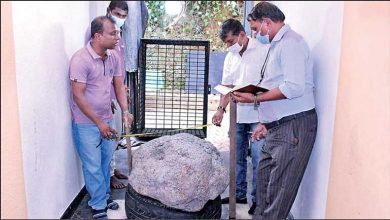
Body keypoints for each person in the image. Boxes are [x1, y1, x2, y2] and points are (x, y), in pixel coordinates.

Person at [231, 2, 318, 219]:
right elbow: (274, 84)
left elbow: (294, 87)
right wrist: (266, 123)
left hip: (294, 128)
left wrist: (256, 97)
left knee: (279, 193)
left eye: (255, 28)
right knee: (264, 183)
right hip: (278, 127)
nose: (255, 34)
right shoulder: (276, 44)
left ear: (267, 23)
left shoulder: (291, 44)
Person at [70, 16, 133, 219]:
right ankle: (97, 205)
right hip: (87, 123)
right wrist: (98, 123)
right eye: (113, 33)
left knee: (106, 162)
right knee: (93, 165)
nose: (118, 36)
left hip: (107, 119)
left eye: (117, 32)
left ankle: (104, 197)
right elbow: (77, 95)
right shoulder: (80, 59)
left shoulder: (113, 56)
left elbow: (118, 86)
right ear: (98, 36)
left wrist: (125, 111)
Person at [212, 18, 267, 215]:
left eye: (230, 41)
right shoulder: (230, 57)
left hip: (258, 115)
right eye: (226, 43)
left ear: (242, 35)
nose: (228, 46)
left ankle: (258, 201)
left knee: (259, 158)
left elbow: (268, 84)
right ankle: (238, 194)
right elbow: (226, 86)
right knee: (236, 157)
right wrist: (220, 109)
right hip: (237, 115)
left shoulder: (262, 52)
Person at [85, 1, 130, 189]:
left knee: (114, 134)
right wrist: (106, 96)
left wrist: (122, 91)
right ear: (109, 12)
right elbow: (98, 68)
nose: (120, 19)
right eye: (117, 14)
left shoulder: (118, 35)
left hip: (116, 91)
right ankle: (109, 175)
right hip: (104, 96)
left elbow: (117, 68)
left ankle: (112, 169)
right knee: (107, 138)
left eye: (123, 16)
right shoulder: (97, 35)